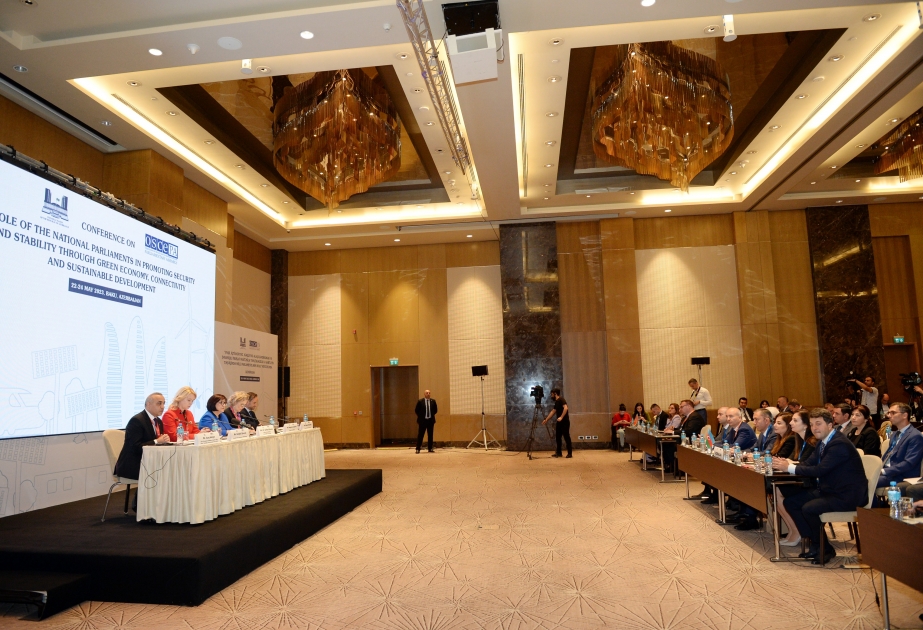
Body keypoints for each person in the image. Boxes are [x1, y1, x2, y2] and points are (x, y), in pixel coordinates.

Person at [772, 409, 869, 564]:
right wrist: (785, 466)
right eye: (811, 424)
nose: (814, 428)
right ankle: (816, 545)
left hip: (847, 495)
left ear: (830, 425)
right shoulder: (823, 441)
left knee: (809, 508)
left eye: (818, 424)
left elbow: (819, 470)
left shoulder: (839, 444)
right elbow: (808, 463)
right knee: (791, 502)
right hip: (830, 490)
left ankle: (824, 549)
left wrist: (789, 468)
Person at [114, 392, 172, 511]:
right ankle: (144, 508)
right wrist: (157, 441)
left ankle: (162, 508)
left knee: (171, 469)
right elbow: (135, 447)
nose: (162, 407)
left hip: (148, 462)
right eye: (159, 403)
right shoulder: (137, 421)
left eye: (163, 403)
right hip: (133, 464)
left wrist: (164, 441)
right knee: (159, 472)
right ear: (148, 404)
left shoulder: (158, 421)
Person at [773, 411, 816, 546]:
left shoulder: (812, 442)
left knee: (779, 490)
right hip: (800, 478)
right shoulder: (799, 440)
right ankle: (793, 530)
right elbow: (791, 459)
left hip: (810, 483)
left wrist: (788, 463)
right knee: (776, 490)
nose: (791, 423)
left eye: (795, 420)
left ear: (806, 425)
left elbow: (804, 464)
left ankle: (797, 531)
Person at [877, 402, 923, 489]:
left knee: (866, 481)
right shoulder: (895, 434)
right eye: (889, 413)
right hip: (888, 472)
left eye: (893, 413)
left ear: (905, 415)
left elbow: (909, 463)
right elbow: (889, 455)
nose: (889, 416)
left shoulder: (915, 436)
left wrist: (883, 471)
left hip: (901, 475)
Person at [543, 388, 572, 458]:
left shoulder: (561, 400)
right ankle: (559, 452)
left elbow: (565, 408)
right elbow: (553, 411)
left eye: (552, 394)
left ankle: (570, 453)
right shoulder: (557, 402)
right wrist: (546, 419)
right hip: (559, 422)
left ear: (555, 393)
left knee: (566, 437)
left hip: (564, 422)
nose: (551, 395)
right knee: (558, 437)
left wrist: (561, 417)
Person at [415, 389, 438, 454]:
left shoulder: (433, 401)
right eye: (427, 393)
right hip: (423, 421)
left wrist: (430, 415)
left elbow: (435, 410)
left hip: (430, 420)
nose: (428, 394)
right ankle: (418, 448)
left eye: (429, 393)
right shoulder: (420, 401)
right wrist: (421, 416)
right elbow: (416, 410)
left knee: (430, 435)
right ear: (424, 394)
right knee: (420, 435)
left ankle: (430, 448)